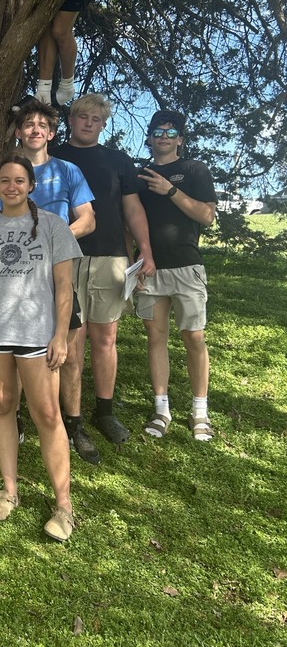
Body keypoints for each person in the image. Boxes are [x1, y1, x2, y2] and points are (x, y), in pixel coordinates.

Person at [0, 155, 81, 540]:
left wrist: (61, 334)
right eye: (4, 180)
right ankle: (9, 490)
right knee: (1, 405)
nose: (11, 186)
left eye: (19, 180)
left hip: (37, 335)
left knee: (47, 413)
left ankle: (63, 505)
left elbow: (65, 286)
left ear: (31, 186)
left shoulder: (52, 226)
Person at [0, 98, 99, 463]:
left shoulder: (68, 171)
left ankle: (73, 424)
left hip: (56, 274)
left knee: (69, 353)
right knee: (15, 348)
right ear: (19, 132)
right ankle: (14, 419)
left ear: (50, 133)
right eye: (27, 124)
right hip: (14, 279)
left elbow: (88, 220)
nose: (35, 129)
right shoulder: (4, 174)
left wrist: (53, 241)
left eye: (41, 125)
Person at [55, 94, 156, 446]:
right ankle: (72, 418)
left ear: (103, 124)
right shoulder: (55, 156)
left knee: (105, 338)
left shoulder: (118, 161)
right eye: (82, 116)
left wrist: (144, 251)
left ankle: (105, 410)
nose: (88, 123)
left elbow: (133, 210)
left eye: (96, 119)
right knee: (72, 340)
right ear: (71, 119)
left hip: (111, 258)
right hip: (66, 257)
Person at [135, 111, 217, 441]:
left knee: (193, 337)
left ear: (180, 139)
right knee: (156, 338)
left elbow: (207, 216)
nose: (164, 136)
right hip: (151, 268)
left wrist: (170, 190)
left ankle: (200, 412)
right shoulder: (140, 175)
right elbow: (132, 219)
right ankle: (161, 410)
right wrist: (136, 260)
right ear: (150, 137)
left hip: (186, 267)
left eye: (171, 132)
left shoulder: (195, 170)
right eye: (158, 131)